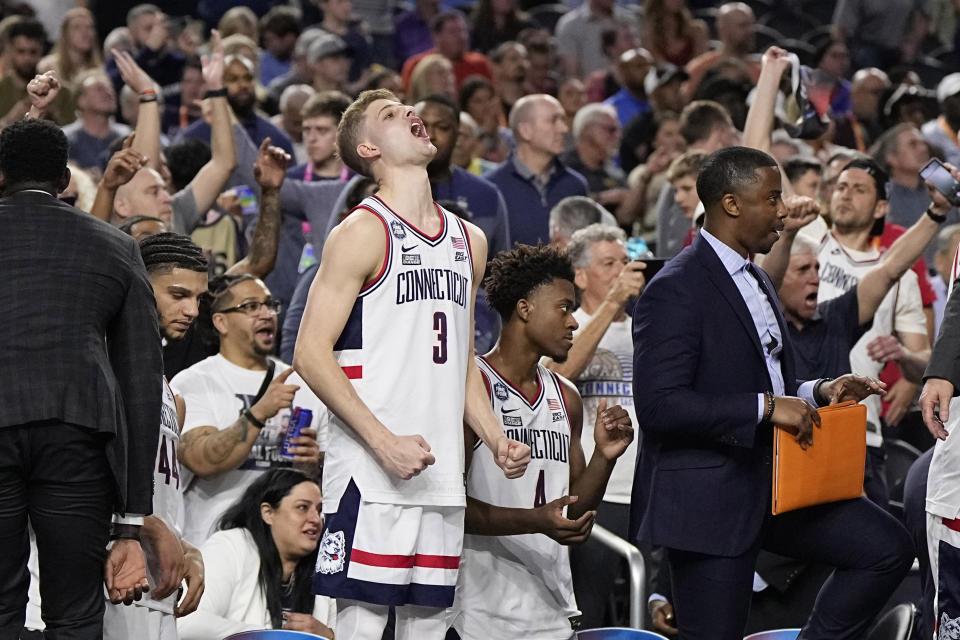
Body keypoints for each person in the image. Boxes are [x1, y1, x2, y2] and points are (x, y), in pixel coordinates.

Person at [630, 145, 913, 640]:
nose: (784, 209)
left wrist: (819, 389)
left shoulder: (757, 277)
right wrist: (765, 408)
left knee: (885, 547)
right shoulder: (674, 287)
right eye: (773, 197)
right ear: (732, 204)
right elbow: (659, 406)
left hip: (777, 483)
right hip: (708, 500)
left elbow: (772, 383)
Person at [293, 89, 531, 638]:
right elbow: (309, 352)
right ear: (369, 148)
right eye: (389, 114)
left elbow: (460, 356)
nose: (409, 112)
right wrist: (383, 442)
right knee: (361, 628)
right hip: (372, 474)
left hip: (442, 474)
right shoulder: (361, 231)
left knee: (428, 629)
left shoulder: (469, 239)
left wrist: (494, 438)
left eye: (407, 107)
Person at [0, 117, 160, 637]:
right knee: (74, 614)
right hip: (78, 435)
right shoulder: (115, 247)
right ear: (66, 180)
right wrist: (133, 518)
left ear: (1, 174)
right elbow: (141, 382)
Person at [455, 243, 634, 639]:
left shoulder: (565, 396)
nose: (574, 323)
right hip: (478, 613)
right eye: (564, 308)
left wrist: (605, 457)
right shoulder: (471, 390)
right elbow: (452, 507)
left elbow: (572, 511)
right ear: (524, 308)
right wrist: (536, 521)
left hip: (552, 610)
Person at [102, 232, 209, 639]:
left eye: (199, 298)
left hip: (157, 584)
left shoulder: (167, 388)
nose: (192, 310)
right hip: (114, 576)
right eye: (178, 294)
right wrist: (145, 525)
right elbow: (79, 471)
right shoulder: (104, 362)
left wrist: (187, 547)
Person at [170, 273, 326, 546]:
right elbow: (201, 460)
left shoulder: (307, 385)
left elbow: (329, 479)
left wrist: (313, 465)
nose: (266, 314)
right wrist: (258, 413)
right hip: (213, 544)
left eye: (269, 305)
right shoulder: (194, 382)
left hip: (283, 554)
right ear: (221, 321)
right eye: (251, 307)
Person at [544, 224, 646, 630]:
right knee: (590, 611)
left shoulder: (647, 325)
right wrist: (612, 305)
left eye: (624, 260)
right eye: (609, 263)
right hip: (596, 492)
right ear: (580, 276)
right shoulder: (566, 325)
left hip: (647, 488)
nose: (622, 270)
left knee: (649, 610)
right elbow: (558, 375)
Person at [178, 468, 336, 639]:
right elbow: (186, 622)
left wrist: (329, 636)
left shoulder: (324, 571)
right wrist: (274, 637)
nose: (315, 519)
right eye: (302, 507)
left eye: (319, 510)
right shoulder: (231, 546)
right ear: (268, 513)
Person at [415, 93, 511, 259]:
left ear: (457, 135)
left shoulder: (486, 195)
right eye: (420, 127)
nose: (430, 135)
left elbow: (501, 272)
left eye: (442, 127)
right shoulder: (376, 188)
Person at [484, 94, 588, 247]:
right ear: (526, 130)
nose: (564, 129)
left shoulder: (575, 185)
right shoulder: (491, 188)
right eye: (554, 121)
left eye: (563, 120)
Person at [286, 90, 351, 182]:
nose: (311, 138)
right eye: (306, 130)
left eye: (322, 130)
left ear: (344, 133)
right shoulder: (289, 181)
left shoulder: (364, 182)